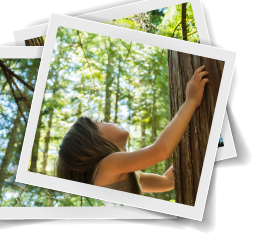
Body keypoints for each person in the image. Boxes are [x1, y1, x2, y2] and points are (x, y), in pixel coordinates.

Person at [56, 65, 209, 195]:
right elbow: (161, 151)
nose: (110, 121)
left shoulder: (129, 174)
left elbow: (168, 181)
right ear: (92, 141)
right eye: (101, 122)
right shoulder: (107, 166)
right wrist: (191, 101)